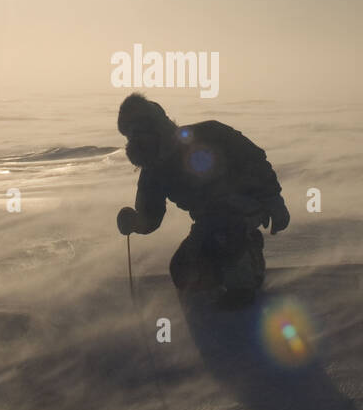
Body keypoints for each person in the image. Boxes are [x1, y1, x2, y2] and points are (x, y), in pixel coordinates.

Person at [115, 93, 290, 301]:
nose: (136, 138)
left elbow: (254, 159)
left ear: (156, 127)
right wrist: (135, 222)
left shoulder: (209, 133)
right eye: (131, 135)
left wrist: (272, 198)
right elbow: (150, 216)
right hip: (208, 220)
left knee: (225, 232)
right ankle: (234, 258)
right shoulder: (152, 169)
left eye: (139, 131)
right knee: (183, 272)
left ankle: (245, 278)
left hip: (245, 204)